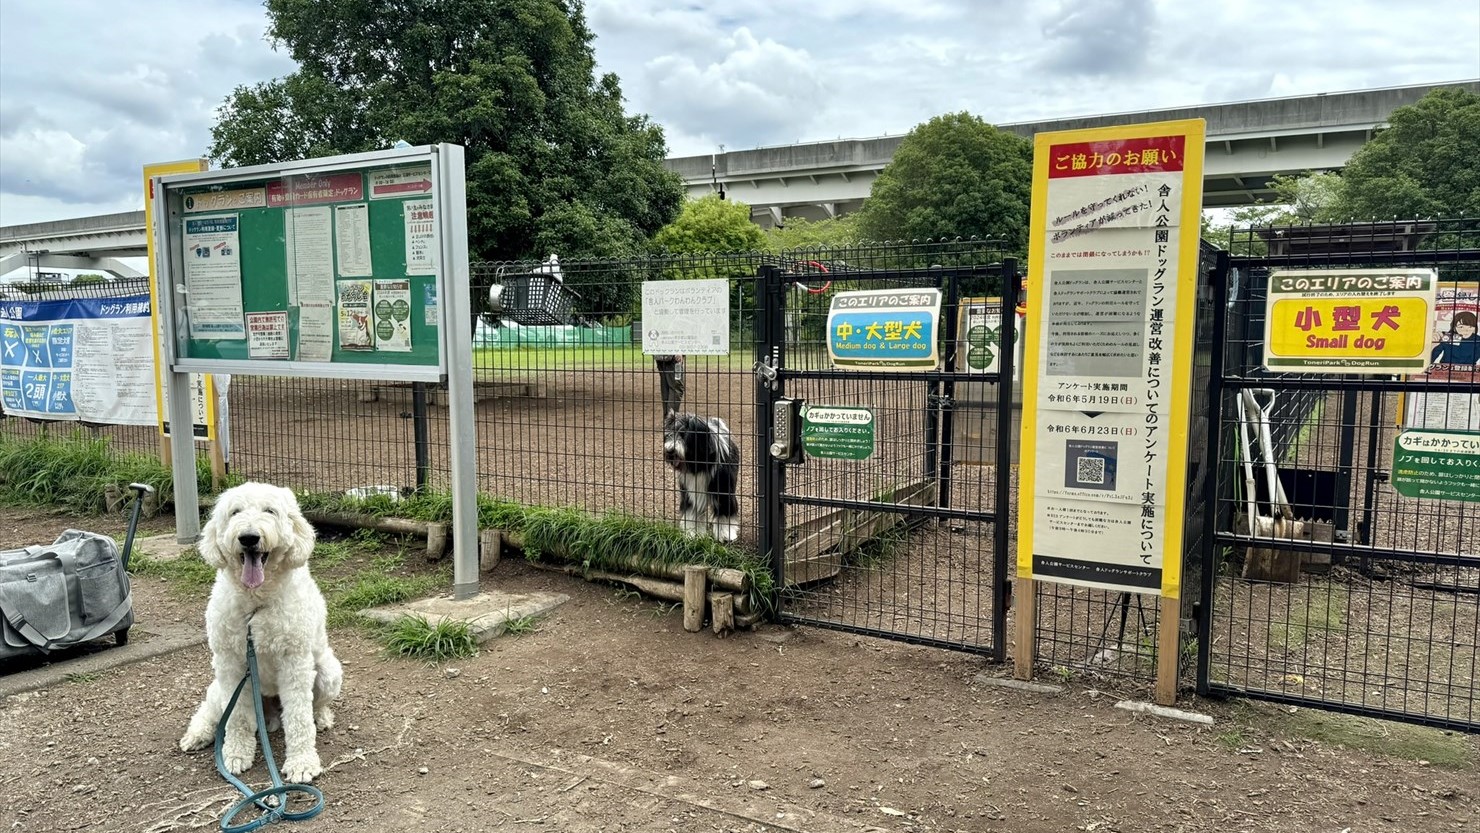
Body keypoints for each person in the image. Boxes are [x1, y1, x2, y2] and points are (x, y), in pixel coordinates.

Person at [654, 353, 685, 420]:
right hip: (672, 356)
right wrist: (679, 350)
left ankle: (667, 420)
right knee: (676, 388)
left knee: (666, 387)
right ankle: (670, 421)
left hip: (660, 354)